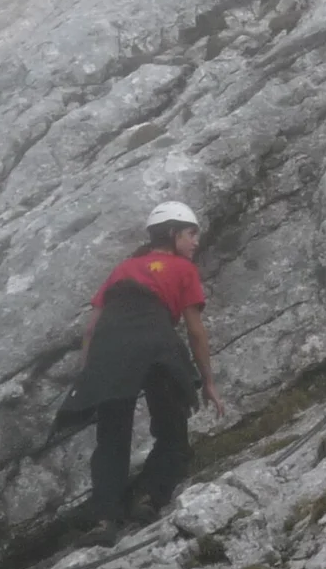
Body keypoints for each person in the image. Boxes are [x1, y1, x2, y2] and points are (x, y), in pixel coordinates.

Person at [54, 201, 226, 546]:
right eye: (191, 234)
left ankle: (105, 518)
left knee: (112, 437)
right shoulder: (182, 268)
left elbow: (91, 328)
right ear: (173, 233)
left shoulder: (123, 269)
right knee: (172, 429)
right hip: (156, 343)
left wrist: (90, 373)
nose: (196, 242)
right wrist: (207, 381)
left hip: (109, 348)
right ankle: (148, 497)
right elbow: (195, 331)